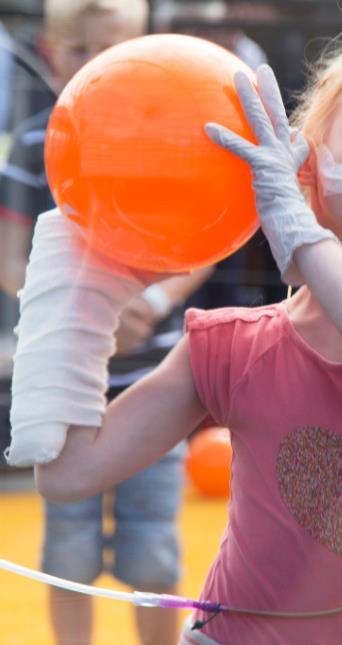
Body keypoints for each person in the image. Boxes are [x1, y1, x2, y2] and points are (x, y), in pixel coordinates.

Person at [8, 28, 342, 644]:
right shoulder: (227, 344)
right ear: (306, 159)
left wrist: (294, 225)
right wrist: (80, 298)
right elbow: (67, 474)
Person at [0, 2, 214, 644]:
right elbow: (9, 253)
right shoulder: (35, 141)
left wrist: (144, 306)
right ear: (52, 54)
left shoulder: (168, 136)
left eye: (110, 49)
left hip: (154, 380)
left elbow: (204, 242)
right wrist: (80, 306)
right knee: (67, 545)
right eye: (79, 51)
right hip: (66, 376)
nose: (92, 65)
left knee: (154, 545)